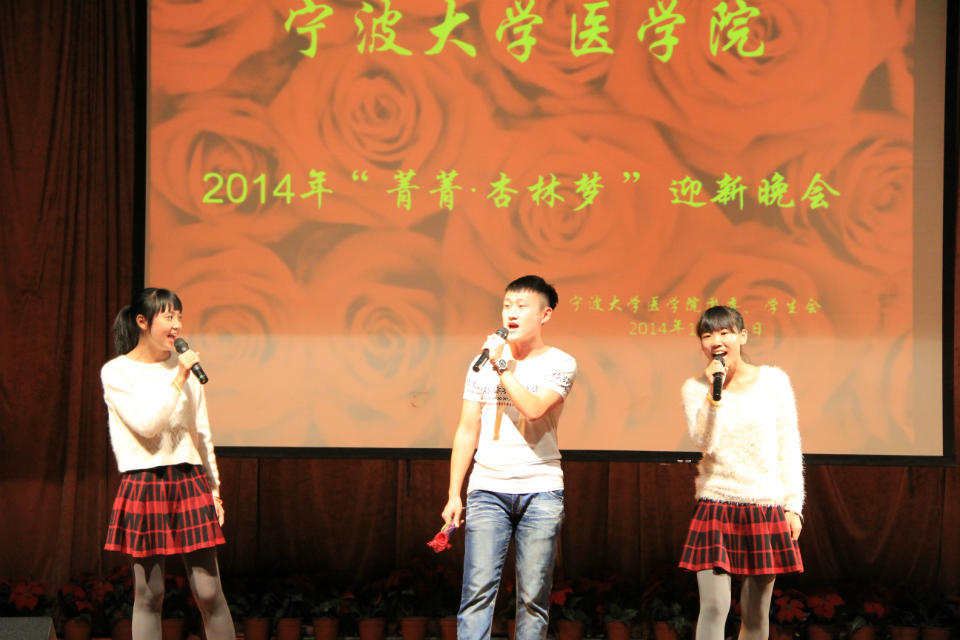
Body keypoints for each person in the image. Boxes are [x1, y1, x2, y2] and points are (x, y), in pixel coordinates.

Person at [441, 275, 577, 640]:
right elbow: (467, 430)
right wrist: (455, 493)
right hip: (487, 487)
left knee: (533, 598)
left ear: (545, 315)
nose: (511, 314)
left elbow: (533, 410)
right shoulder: (482, 363)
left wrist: (502, 366)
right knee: (477, 592)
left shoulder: (560, 363)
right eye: (507, 306)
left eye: (522, 306)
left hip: (541, 489)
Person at [101, 288, 235, 640]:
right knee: (150, 593)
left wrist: (215, 491)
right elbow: (147, 425)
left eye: (179, 317)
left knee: (209, 591)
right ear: (142, 321)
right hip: (145, 482)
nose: (176, 325)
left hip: (189, 479)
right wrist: (178, 379)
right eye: (168, 316)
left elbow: (201, 433)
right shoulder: (118, 372)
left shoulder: (185, 369)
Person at [679, 305, 804, 640]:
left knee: (756, 613)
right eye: (707, 335)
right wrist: (713, 394)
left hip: (764, 505)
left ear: (742, 336)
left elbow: (788, 444)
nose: (716, 341)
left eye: (725, 332)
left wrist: (794, 507)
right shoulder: (696, 388)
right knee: (714, 607)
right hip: (716, 504)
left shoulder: (774, 382)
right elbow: (704, 441)